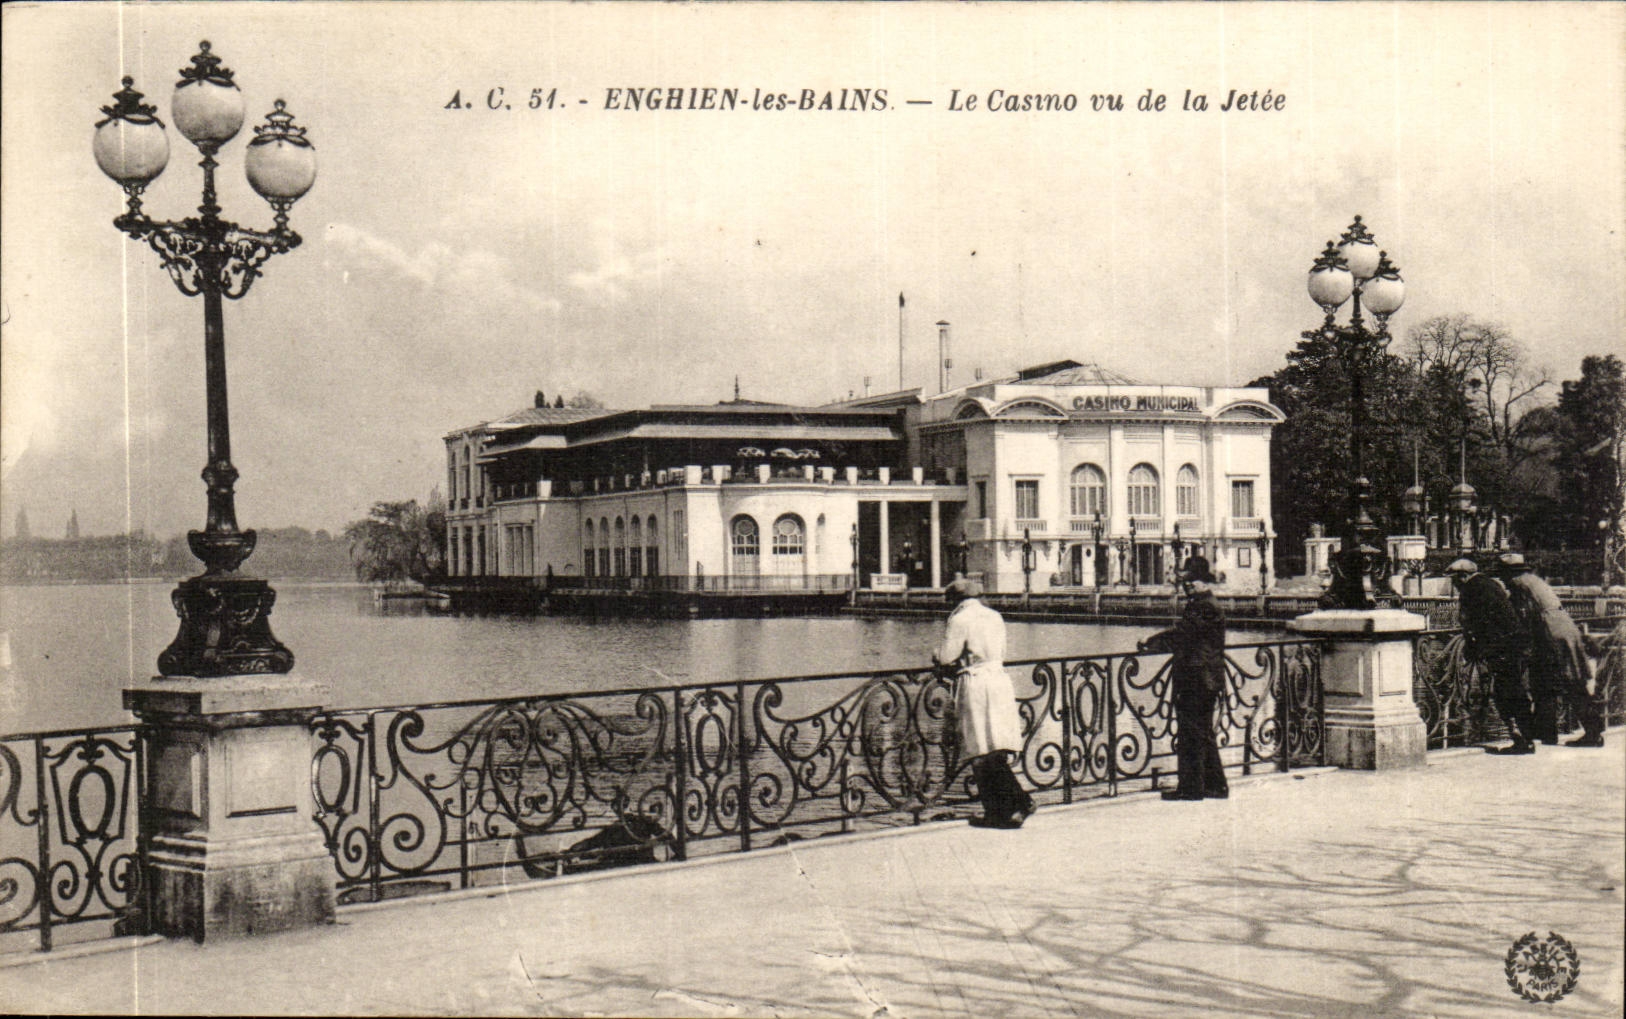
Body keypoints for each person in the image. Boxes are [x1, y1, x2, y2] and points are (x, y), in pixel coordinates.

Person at [935, 577, 1033, 829]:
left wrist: (936, 656)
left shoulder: (959, 620)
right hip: (999, 680)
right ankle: (1008, 809)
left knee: (979, 748)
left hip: (975, 683)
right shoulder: (994, 616)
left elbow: (947, 656)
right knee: (995, 745)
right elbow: (1001, 651)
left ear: (955, 600)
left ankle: (1011, 805)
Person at [1138, 555, 1229, 801]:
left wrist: (1150, 643)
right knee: (1203, 732)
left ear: (1203, 581)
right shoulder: (1206, 603)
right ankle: (1216, 785)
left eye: (1192, 580)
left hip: (1197, 677)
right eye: (1185, 580)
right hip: (1207, 677)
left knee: (1191, 733)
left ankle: (1191, 788)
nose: (1187, 585)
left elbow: (1183, 636)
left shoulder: (1202, 605)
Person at [1498, 553, 1605, 748]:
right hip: (1565, 627)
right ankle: (1592, 730)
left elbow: (1525, 615)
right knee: (1573, 680)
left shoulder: (1517, 584)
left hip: (1549, 632)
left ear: (1508, 572)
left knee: (1545, 681)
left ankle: (1555, 733)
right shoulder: (1533, 580)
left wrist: (1521, 643)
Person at [1447, 558, 1537, 754]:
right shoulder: (1491, 584)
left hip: (1499, 647)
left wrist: (1474, 646)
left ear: (1462, 576)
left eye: (1454, 579)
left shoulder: (1470, 589)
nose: (1453, 584)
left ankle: (1521, 739)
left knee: (1505, 691)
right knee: (1516, 689)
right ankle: (1527, 735)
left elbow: (1470, 622)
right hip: (1514, 644)